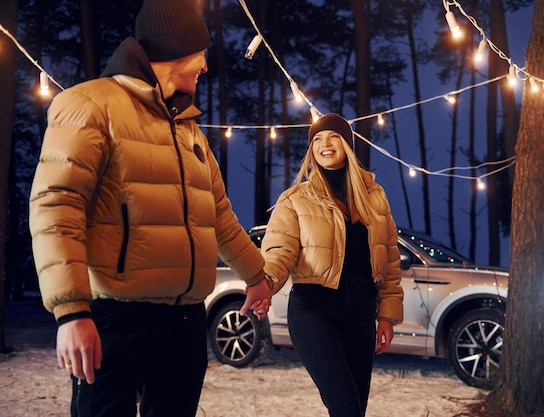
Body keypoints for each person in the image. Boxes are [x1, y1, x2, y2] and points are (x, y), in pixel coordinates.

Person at [28, 0, 271, 416]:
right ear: (176, 49)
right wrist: (71, 312)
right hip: (115, 319)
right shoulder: (91, 105)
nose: (206, 67)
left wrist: (257, 276)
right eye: (202, 55)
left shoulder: (188, 128)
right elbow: (57, 207)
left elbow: (218, 216)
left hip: (184, 324)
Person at [259, 113, 404, 417]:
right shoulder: (295, 199)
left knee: (355, 409)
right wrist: (266, 283)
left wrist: (387, 316)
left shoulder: (375, 197)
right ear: (311, 150)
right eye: (317, 139)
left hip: (361, 311)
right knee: (346, 407)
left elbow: (389, 260)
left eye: (333, 137)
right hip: (314, 309)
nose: (325, 144)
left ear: (347, 145)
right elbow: (278, 251)